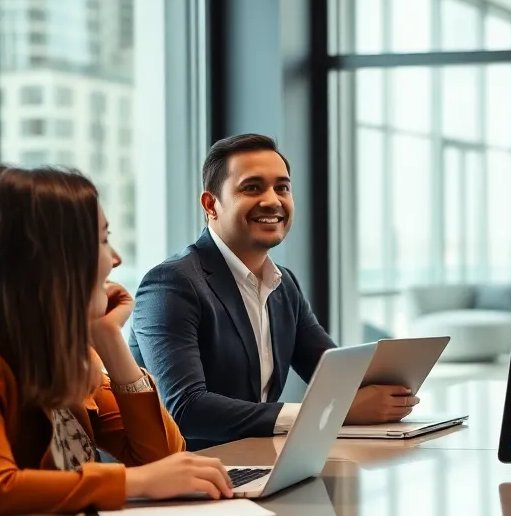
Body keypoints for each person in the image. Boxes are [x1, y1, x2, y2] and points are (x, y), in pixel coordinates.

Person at [0, 166, 234, 516]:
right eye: (103, 240)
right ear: (51, 262)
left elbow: (163, 459)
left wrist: (110, 341)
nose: (115, 258)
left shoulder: (67, 358)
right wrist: (136, 483)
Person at [130, 134, 419, 450]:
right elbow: (186, 409)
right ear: (211, 204)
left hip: (256, 461)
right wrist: (332, 412)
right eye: (252, 187)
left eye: (282, 187)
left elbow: (331, 372)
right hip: (181, 476)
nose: (273, 200)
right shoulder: (172, 283)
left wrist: (391, 383)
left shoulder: (284, 284)